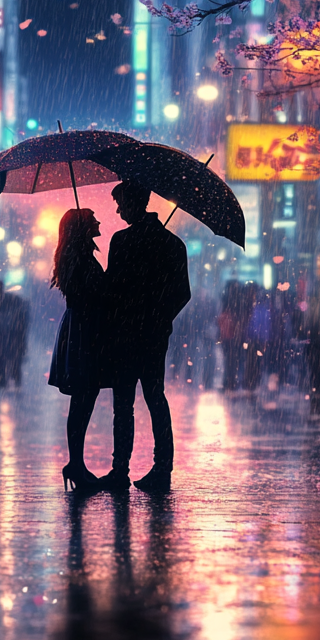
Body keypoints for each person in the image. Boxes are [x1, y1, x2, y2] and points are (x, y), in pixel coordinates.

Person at [100, 180, 190, 494]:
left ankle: (119, 470)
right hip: (154, 337)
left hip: (125, 337)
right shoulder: (172, 244)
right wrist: (159, 317)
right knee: (155, 399)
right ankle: (162, 467)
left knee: (123, 405)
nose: (118, 209)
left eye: (121, 202)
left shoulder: (122, 241)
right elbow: (182, 293)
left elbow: (112, 289)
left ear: (134, 202)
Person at [48, 208, 106, 492]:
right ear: (83, 226)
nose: (98, 221)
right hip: (85, 333)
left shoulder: (78, 258)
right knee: (83, 399)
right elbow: (92, 296)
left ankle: (76, 463)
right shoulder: (81, 261)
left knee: (83, 400)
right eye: (92, 218)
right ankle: (76, 464)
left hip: (81, 331)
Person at [0, 281, 30, 387]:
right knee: (6, 362)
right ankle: (6, 380)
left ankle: (8, 379)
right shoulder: (0, 303)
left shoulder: (9, 301)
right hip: (4, 340)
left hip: (10, 338)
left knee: (11, 362)